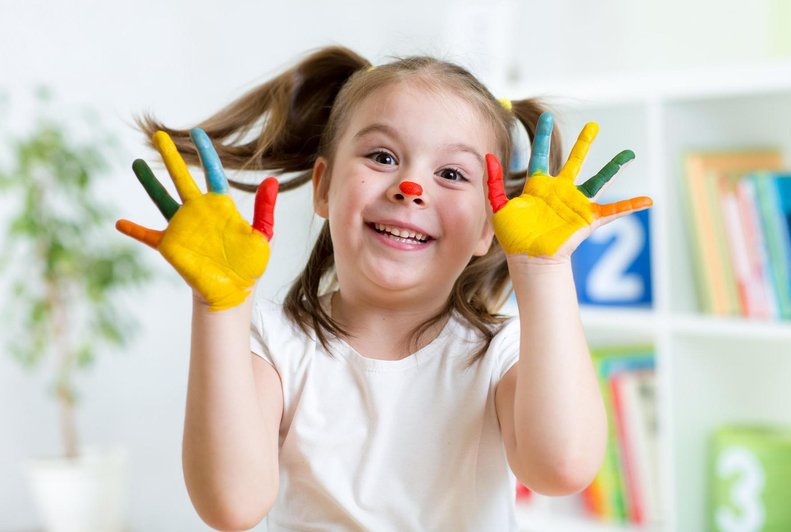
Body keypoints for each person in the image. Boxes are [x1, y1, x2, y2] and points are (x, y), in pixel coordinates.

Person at [116, 46, 652, 531]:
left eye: (452, 174)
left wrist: (541, 271)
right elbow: (231, 505)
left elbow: (561, 468)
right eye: (383, 157)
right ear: (324, 187)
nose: (410, 188)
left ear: (491, 224)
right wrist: (218, 309)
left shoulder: (498, 353)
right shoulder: (274, 342)